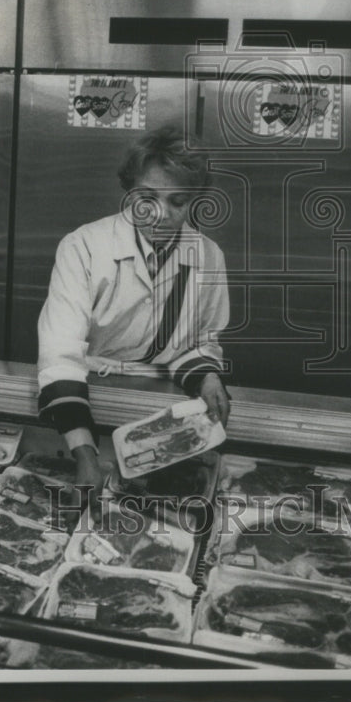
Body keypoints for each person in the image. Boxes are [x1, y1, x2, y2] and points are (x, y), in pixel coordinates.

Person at [37, 123, 231, 501]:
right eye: (148, 198)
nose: (161, 214)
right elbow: (60, 354)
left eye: (178, 202)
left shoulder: (208, 256)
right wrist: (84, 453)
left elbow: (202, 340)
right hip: (81, 402)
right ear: (129, 192)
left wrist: (208, 377)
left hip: (160, 413)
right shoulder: (83, 247)